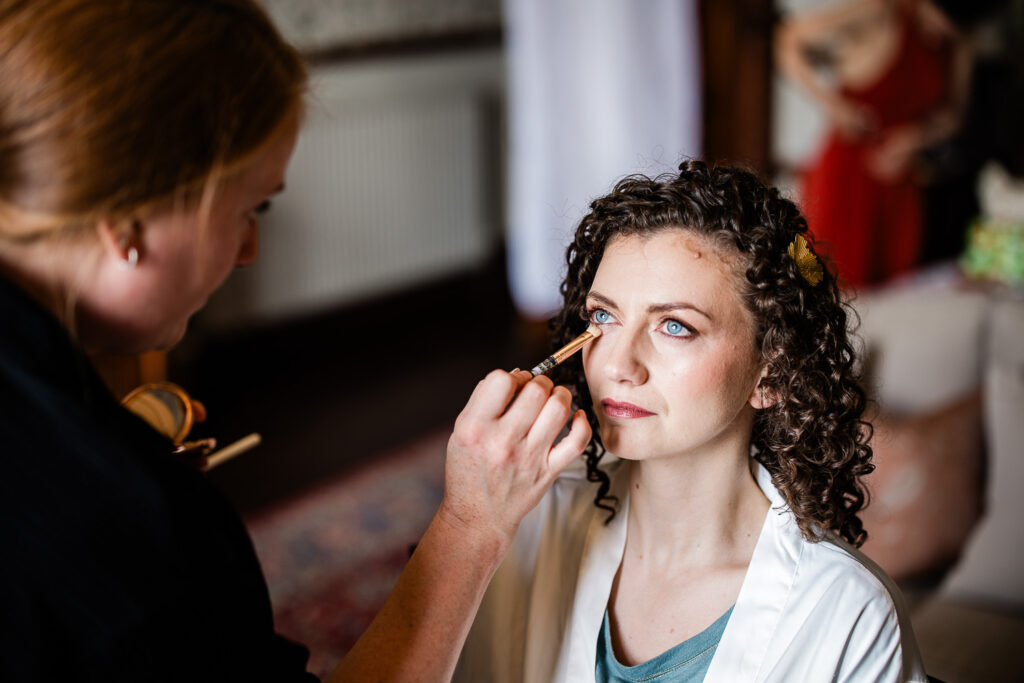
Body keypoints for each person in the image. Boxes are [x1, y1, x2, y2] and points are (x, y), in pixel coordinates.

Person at [0, 1, 590, 681]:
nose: (250, 249)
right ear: (128, 220)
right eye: (249, 208)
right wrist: (473, 523)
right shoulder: (112, 516)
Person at [455, 160, 927, 682]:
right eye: (604, 317)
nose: (615, 365)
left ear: (769, 376)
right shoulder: (522, 525)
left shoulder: (848, 616)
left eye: (674, 326)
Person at [776, 0, 974, 288]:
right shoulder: (881, 10)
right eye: (939, 16)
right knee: (820, 279)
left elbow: (952, 115)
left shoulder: (959, 40)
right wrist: (833, 106)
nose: (941, 30)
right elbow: (789, 40)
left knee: (890, 296)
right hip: (847, 177)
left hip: (900, 188)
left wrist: (916, 139)